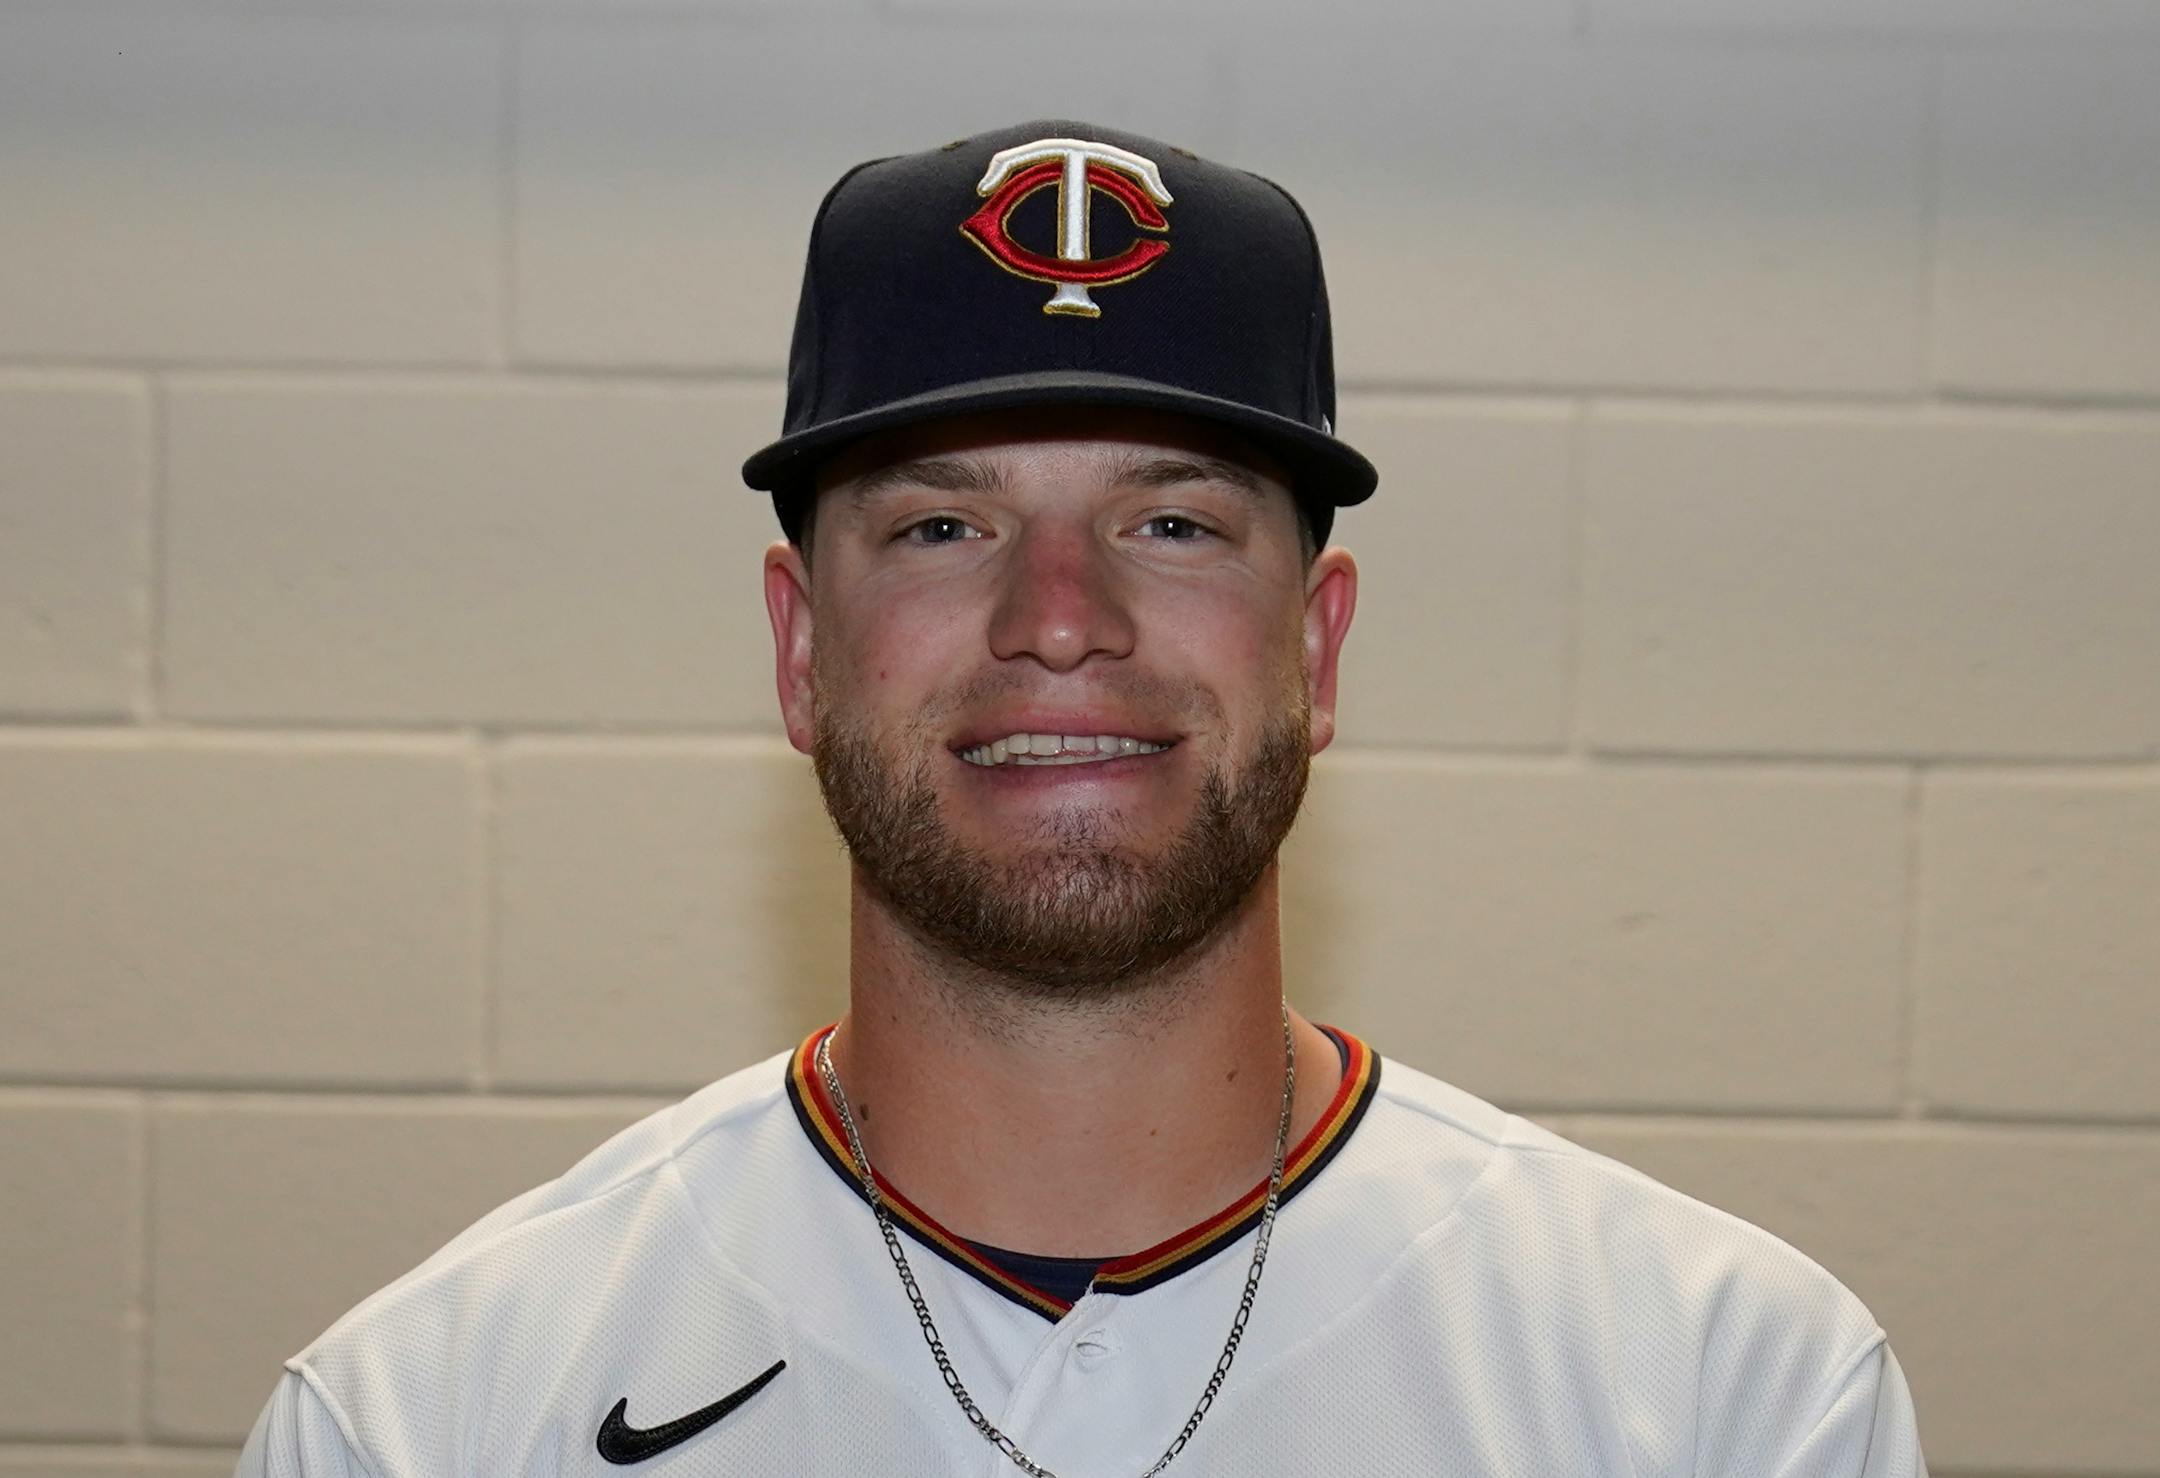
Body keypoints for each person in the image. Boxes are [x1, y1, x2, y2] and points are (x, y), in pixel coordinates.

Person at [236, 119, 1927, 1477]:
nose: (1060, 618)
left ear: (1317, 647)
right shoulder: (430, 1415)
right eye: (941, 526)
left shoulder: (1723, 1391)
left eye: (1171, 523)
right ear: (802, 651)